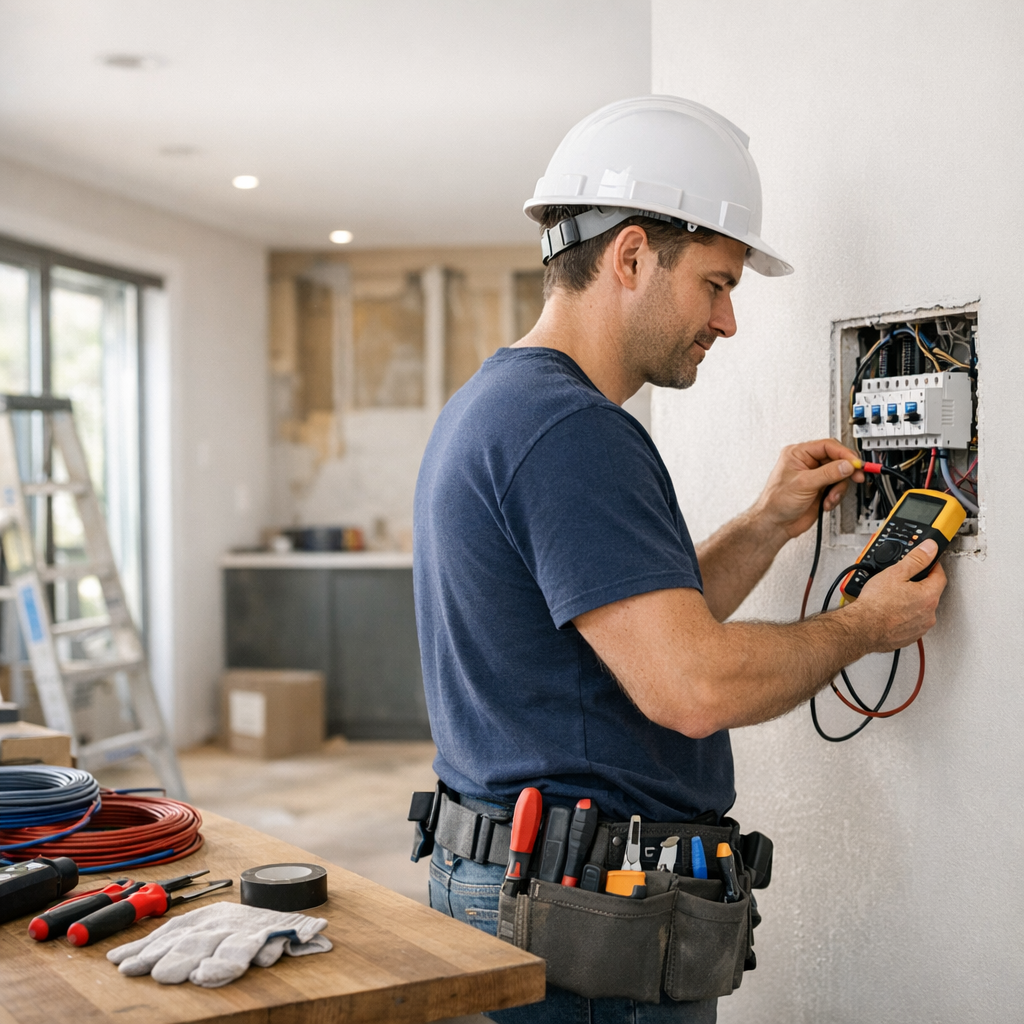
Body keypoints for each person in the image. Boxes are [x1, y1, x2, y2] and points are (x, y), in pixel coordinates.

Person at [412, 96, 946, 1023]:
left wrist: (768, 522)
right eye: (715, 282)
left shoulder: (499, 406)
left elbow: (635, 625)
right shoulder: (571, 430)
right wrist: (866, 626)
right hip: (583, 924)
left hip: (527, 886)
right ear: (629, 254)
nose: (728, 320)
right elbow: (690, 684)